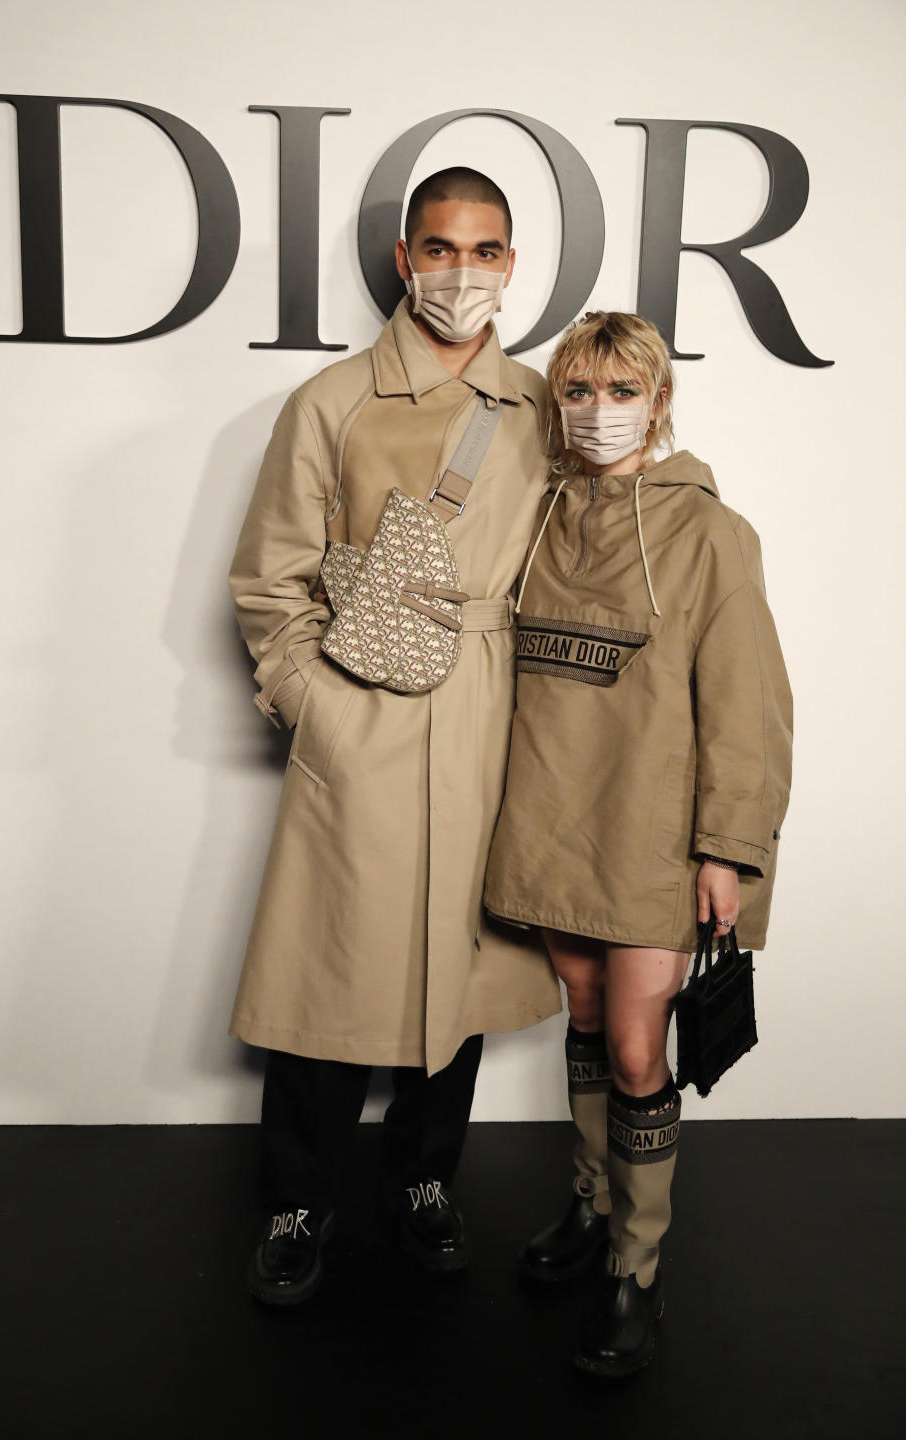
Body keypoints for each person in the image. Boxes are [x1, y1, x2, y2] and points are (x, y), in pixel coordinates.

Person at [228, 167, 561, 1305]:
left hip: (490, 716)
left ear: (512, 264)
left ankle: (425, 1178)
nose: (459, 272)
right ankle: (295, 1198)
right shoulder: (331, 402)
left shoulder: (546, 410)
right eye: (438, 247)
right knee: (329, 964)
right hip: (362, 709)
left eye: (483, 250)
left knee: (459, 967)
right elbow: (270, 582)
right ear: (405, 258)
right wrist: (314, 703)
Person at [484, 311, 792, 1376]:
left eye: (623, 393)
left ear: (659, 403)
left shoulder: (713, 534)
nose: (598, 412)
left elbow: (750, 707)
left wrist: (726, 849)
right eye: (579, 391)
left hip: (652, 836)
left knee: (633, 1051)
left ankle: (636, 1267)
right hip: (554, 823)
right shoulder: (540, 516)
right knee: (579, 1021)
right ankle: (588, 1205)